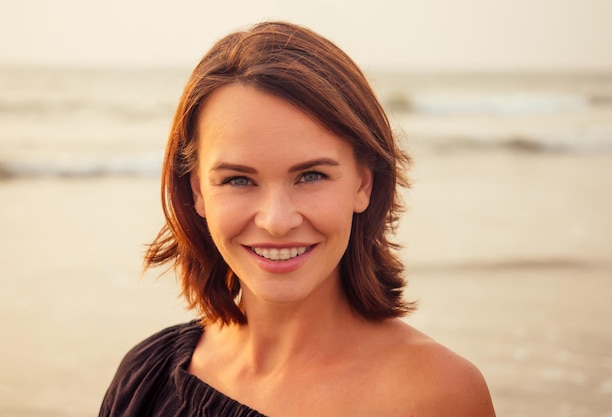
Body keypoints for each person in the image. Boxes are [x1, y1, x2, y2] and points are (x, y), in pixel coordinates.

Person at [99, 21, 496, 417]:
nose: (277, 221)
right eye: (238, 179)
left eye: (310, 176)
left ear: (363, 183)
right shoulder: (146, 377)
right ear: (198, 192)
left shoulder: (437, 395)